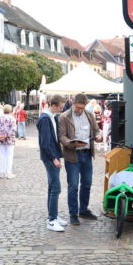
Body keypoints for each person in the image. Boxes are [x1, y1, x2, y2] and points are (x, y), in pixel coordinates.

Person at [58, 93, 102, 225]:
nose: (79, 110)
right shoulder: (64, 117)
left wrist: (99, 135)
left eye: (82, 108)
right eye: (78, 107)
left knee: (87, 184)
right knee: (73, 186)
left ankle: (83, 209)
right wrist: (72, 143)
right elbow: (62, 136)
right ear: (73, 104)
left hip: (87, 153)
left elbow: (96, 130)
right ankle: (73, 214)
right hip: (73, 155)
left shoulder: (89, 115)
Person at [38, 95, 67, 231]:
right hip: (50, 157)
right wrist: (54, 158)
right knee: (56, 187)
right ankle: (51, 220)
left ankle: (52, 216)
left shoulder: (51, 117)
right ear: (54, 105)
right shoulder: (45, 118)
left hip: (52, 155)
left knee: (52, 187)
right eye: (61, 107)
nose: (62, 109)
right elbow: (45, 142)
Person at [0, 104, 17, 178]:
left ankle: (2, 172)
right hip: (9, 139)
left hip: (0, 139)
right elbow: (13, 129)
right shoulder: (12, 119)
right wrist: (6, 135)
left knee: (2, 155)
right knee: (9, 156)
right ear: (10, 110)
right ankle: (8, 173)